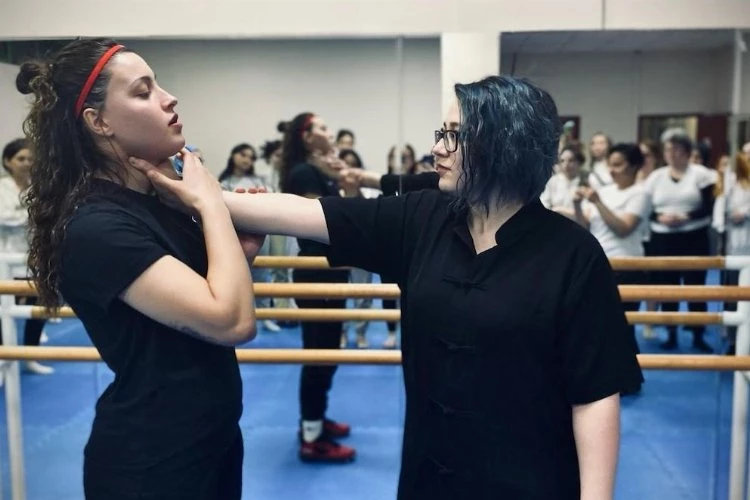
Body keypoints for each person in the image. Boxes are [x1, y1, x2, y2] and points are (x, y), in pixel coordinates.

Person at [135, 75, 642, 500]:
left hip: (530, 479)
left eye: (454, 136)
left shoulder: (573, 255)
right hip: (431, 473)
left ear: (503, 145)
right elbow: (308, 213)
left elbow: (595, 395)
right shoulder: (423, 217)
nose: (437, 148)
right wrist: (204, 197)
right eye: (440, 133)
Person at [17, 38, 259, 499]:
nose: (169, 98)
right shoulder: (96, 226)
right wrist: (211, 204)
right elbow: (231, 321)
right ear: (99, 122)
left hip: (212, 443)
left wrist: (237, 250)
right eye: (143, 91)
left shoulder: (158, 201)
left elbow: (188, 310)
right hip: (152, 465)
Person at [278, 113, 357, 463]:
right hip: (316, 271)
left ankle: (316, 420)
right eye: (323, 128)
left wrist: (340, 177)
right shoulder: (304, 173)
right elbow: (323, 222)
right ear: (308, 137)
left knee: (327, 354)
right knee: (318, 355)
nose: (330, 132)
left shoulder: (320, 172)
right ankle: (312, 436)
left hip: (330, 270)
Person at [569, 143, 652, 385]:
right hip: (599, 263)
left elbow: (624, 228)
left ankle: (628, 377)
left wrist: (598, 202)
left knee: (621, 325)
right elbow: (584, 227)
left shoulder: (640, 193)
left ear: (633, 167)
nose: (612, 170)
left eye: (618, 165)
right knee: (601, 325)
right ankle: (617, 376)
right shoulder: (605, 191)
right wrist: (577, 205)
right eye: (610, 165)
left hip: (627, 266)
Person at [645, 132, 717, 352]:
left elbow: (710, 207)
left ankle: (698, 334)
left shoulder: (701, 174)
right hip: (662, 238)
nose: (672, 153)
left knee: (696, 287)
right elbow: (646, 209)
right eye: (668, 149)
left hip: (693, 237)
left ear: (686, 151)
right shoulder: (656, 177)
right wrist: (660, 217)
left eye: (676, 149)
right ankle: (671, 333)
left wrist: (686, 217)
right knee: (668, 288)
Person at [0, 139, 53, 374]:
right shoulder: (2, 189)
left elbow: (48, 217)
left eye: (30, 159)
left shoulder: (38, 188)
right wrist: (32, 216)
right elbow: (4, 218)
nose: (27, 163)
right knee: (3, 311)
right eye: (21, 158)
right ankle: (3, 359)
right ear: (7, 162)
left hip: (33, 257)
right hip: (5, 258)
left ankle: (32, 357)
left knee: (38, 307)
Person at [219, 143, 280, 332]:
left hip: (260, 232)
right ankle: (239, 315)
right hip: (235, 234)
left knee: (263, 274)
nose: (247, 160)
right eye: (243, 155)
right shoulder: (224, 181)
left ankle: (265, 315)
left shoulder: (258, 181)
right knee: (238, 275)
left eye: (251, 157)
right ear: (233, 155)